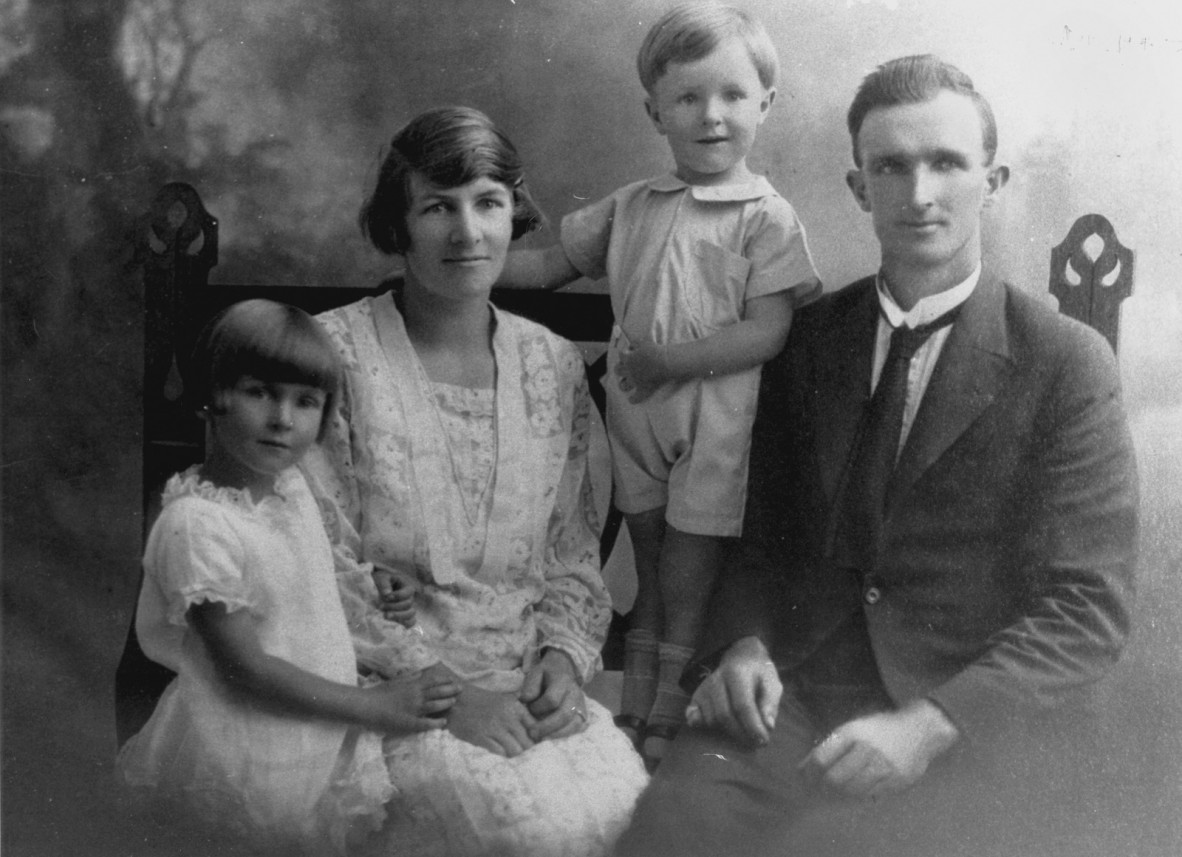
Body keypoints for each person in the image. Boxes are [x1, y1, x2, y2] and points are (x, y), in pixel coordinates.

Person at [615, 54, 1139, 857]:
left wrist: (931, 725)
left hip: (956, 718)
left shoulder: (1065, 362)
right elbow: (763, 545)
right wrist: (741, 645)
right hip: (788, 695)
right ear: (859, 188)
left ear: (992, 183)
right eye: (891, 166)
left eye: (946, 164)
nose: (920, 194)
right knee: (665, 836)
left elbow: (1086, 607)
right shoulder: (811, 338)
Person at [303, 106, 648, 857]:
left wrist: (560, 660)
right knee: (521, 831)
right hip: (387, 694)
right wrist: (449, 700)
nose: (468, 232)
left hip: (522, 691)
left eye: (488, 202)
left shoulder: (552, 366)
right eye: (438, 207)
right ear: (398, 225)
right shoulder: (333, 355)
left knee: (629, 816)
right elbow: (315, 557)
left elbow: (569, 554)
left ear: (514, 212)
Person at [497, 2, 821, 766]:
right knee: (645, 555)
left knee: (689, 566)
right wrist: (467, 265)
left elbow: (767, 331)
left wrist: (669, 363)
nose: (712, 116)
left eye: (733, 96)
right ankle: (637, 690)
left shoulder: (765, 217)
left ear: (765, 106)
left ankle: (671, 701)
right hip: (635, 415)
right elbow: (546, 265)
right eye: (687, 98)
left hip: (712, 416)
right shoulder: (634, 205)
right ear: (655, 111)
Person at [116, 299, 460, 856]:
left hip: (312, 735)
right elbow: (244, 669)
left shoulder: (288, 486)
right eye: (259, 392)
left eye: (306, 402)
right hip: (241, 755)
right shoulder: (197, 525)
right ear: (211, 398)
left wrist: (374, 585)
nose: (283, 419)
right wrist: (374, 707)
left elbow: (298, 576)